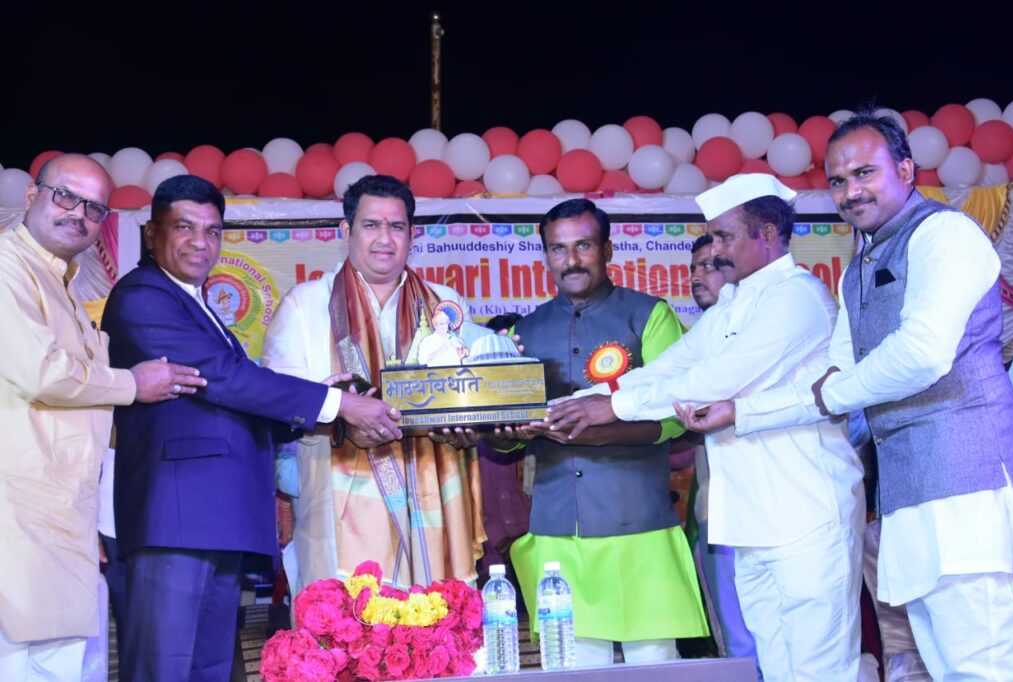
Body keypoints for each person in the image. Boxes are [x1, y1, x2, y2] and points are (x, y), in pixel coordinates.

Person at [689, 110, 1013, 680]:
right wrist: (742, 412)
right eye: (838, 181)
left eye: (865, 173)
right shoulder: (859, 265)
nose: (850, 191)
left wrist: (819, 395)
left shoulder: (944, 234)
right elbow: (833, 380)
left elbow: (921, 354)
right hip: (910, 490)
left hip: (969, 485)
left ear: (906, 170)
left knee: (981, 666)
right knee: (946, 667)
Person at [547, 175, 865, 681]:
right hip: (752, 518)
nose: (714, 250)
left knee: (821, 668)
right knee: (775, 666)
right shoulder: (735, 303)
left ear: (766, 233)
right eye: (713, 237)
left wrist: (614, 408)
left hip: (806, 512)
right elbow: (671, 366)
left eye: (724, 237)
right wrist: (564, 406)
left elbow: (715, 379)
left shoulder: (797, 297)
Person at [102, 174, 401, 681]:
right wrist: (335, 403)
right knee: (163, 667)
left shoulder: (195, 302)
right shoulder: (142, 295)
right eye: (184, 227)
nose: (200, 242)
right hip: (174, 520)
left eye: (213, 231)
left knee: (210, 669)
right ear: (152, 233)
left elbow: (226, 401)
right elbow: (222, 378)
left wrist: (314, 404)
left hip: (215, 518)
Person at [0, 154, 205, 682]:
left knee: (62, 661)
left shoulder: (61, 281)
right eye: (66, 196)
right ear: (31, 197)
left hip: (58, 514)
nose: (80, 214)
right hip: (17, 516)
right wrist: (133, 383)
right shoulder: (7, 268)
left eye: (94, 208)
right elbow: (43, 372)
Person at [487, 198, 708, 666]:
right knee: (572, 667)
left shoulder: (649, 315)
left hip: (638, 526)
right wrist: (502, 430)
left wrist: (593, 429)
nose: (571, 260)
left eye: (583, 246)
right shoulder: (525, 331)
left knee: (654, 663)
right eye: (558, 249)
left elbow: (674, 415)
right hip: (556, 532)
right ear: (546, 256)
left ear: (607, 250)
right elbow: (510, 432)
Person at [261, 174, 490, 591]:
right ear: (346, 230)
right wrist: (340, 419)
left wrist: (468, 425)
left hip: (434, 498)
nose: (385, 239)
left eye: (396, 226)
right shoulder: (305, 305)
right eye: (371, 225)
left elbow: (468, 394)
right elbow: (277, 404)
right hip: (339, 508)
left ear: (412, 234)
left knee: (437, 619)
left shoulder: (446, 305)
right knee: (345, 622)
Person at [685, 234, 760, 674]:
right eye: (694, 267)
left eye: (711, 265)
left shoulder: (766, 328)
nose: (699, 275)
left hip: (774, 507)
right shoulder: (696, 342)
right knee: (738, 643)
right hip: (715, 511)